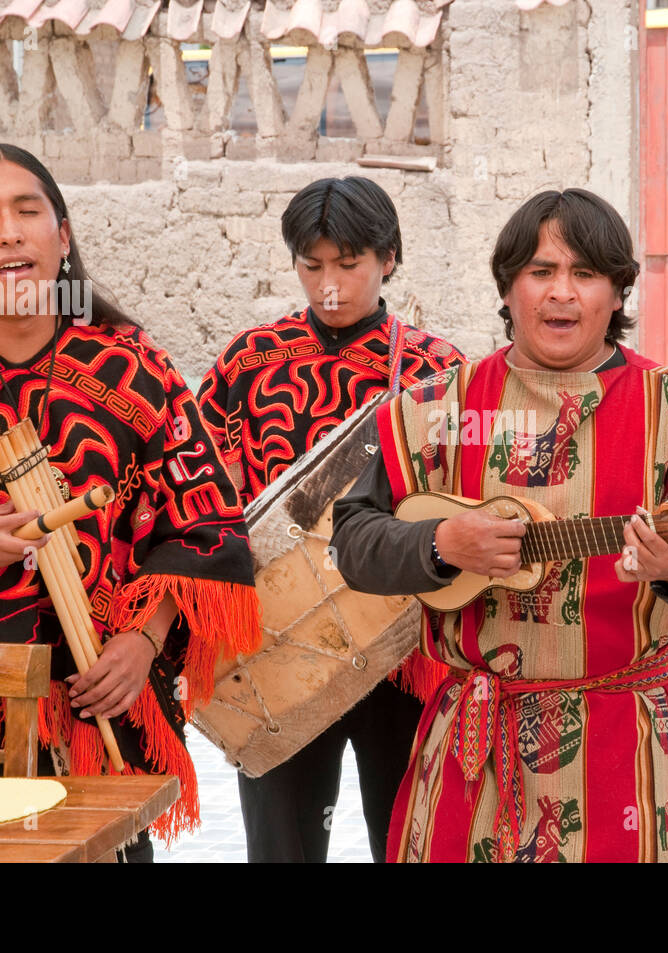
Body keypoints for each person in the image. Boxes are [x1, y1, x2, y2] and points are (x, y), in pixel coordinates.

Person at [329, 188, 668, 862]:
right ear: (508, 289)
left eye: (586, 274)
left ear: (619, 294)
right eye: (540, 272)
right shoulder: (433, 410)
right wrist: (440, 542)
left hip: (627, 745)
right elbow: (352, 543)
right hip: (473, 745)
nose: (560, 294)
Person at [0, 143, 260, 857]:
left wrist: (143, 638)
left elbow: (210, 527)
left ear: (62, 237)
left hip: (95, 730)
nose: (10, 232)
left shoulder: (131, 366)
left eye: (29, 211)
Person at [197, 176, 465, 863]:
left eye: (349, 264)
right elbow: (203, 494)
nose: (331, 285)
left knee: (414, 843)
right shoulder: (246, 363)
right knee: (282, 849)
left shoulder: (440, 373)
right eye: (311, 266)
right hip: (278, 649)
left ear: (389, 259)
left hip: (407, 654)